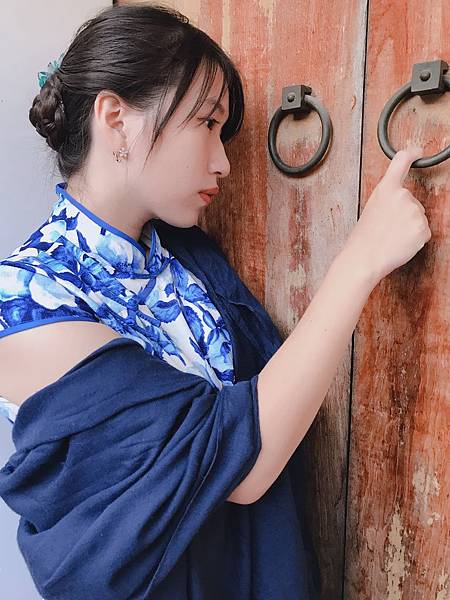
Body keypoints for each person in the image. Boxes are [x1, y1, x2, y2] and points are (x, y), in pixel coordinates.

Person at [0, 3, 431, 599]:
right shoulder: (27, 300)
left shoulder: (182, 255)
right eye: (206, 123)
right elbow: (236, 461)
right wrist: (360, 262)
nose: (224, 162)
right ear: (116, 119)